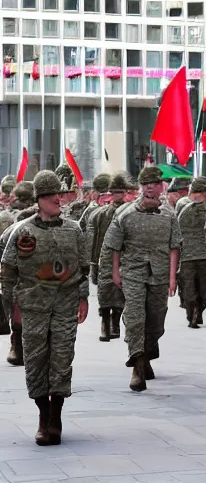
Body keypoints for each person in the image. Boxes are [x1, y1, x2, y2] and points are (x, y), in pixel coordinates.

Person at [1, 170, 89, 446]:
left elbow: (83, 268)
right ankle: (43, 415)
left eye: (59, 195)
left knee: (62, 360)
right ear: (39, 199)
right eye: (52, 196)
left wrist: (83, 298)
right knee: (36, 364)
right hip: (33, 308)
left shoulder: (73, 229)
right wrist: (10, 308)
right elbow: (7, 271)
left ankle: (56, 418)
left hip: (64, 305)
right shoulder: (22, 230)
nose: (58, 200)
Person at [103, 166, 182, 392]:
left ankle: (147, 354)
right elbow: (114, 246)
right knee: (135, 315)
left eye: (154, 184)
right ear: (141, 187)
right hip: (132, 272)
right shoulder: (125, 213)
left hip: (159, 273)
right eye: (146, 184)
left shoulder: (169, 214)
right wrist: (115, 272)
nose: (150, 188)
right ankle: (137, 364)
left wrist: (172, 277)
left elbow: (174, 246)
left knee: (156, 320)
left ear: (160, 187)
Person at [89, 173, 129, 341]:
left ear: (125, 193)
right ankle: (105, 323)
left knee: (120, 292)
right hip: (104, 257)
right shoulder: (100, 214)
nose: (118, 196)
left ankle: (116, 322)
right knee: (104, 292)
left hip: (124, 257)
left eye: (120, 192)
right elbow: (94, 239)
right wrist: (92, 262)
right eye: (115, 192)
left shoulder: (130, 212)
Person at [1, 181, 36, 363]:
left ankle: (19, 345)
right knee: (18, 307)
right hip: (20, 273)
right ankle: (17, 344)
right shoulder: (14, 223)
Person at [177, 176, 206, 328]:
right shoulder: (185, 204)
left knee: (197, 288)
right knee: (194, 287)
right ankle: (194, 312)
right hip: (193, 254)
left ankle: (195, 310)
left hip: (197, 254)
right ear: (203, 193)